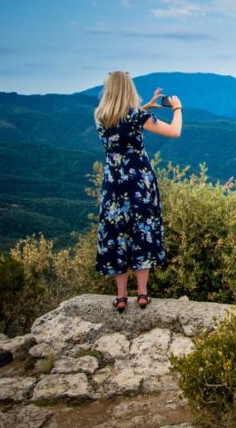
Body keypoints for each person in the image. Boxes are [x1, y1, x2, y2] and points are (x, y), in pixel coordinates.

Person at [94, 71, 183, 312]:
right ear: (128, 90)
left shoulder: (101, 117)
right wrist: (177, 108)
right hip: (139, 184)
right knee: (141, 231)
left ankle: (121, 297)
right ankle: (142, 294)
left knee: (117, 234)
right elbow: (174, 132)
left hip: (113, 184)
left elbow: (121, 122)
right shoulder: (136, 116)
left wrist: (147, 106)